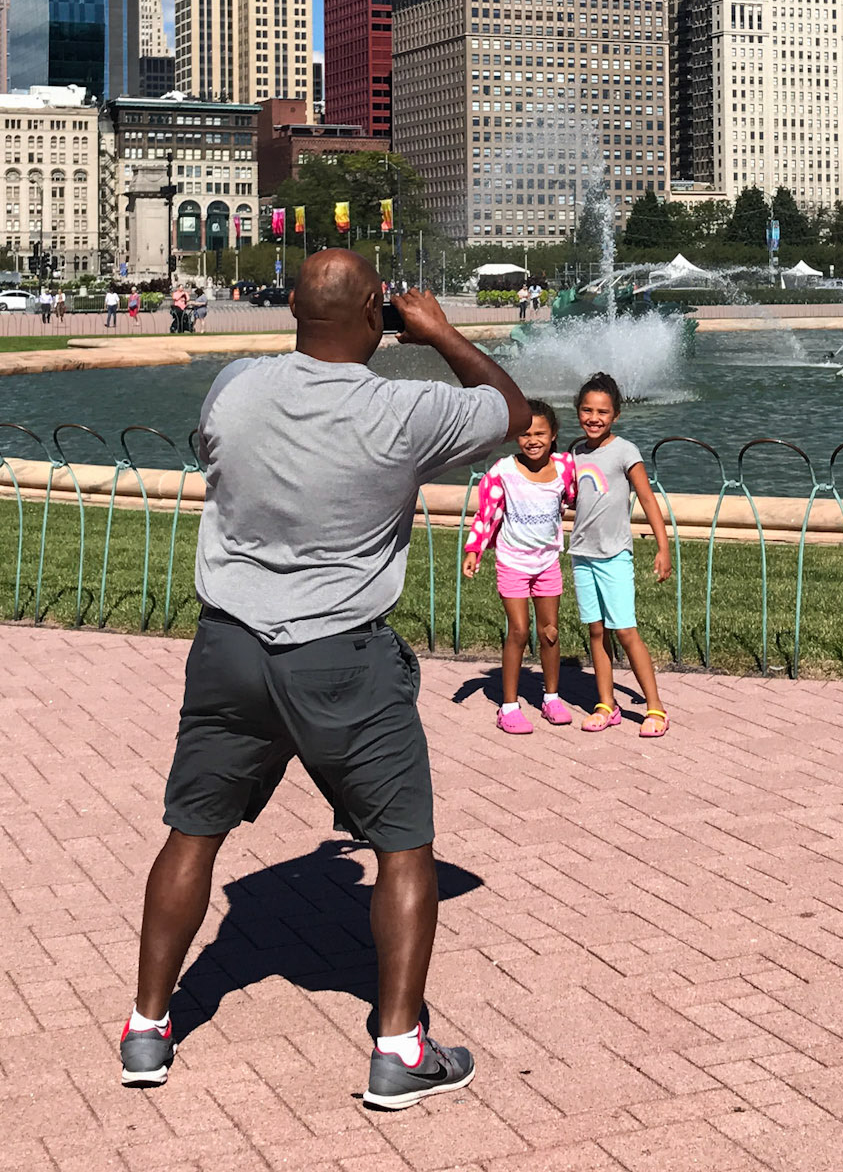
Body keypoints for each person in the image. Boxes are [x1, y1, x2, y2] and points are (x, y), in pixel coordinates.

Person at [120, 252, 531, 1109]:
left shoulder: (235, 384)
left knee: (193, 833)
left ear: (296, 310)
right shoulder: (405, 410)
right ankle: (400, 1049)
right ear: (378, 312)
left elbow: (218, 457)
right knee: (404, 846)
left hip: (228, 647)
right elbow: (512, 413)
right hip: (341, 655)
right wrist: (443, 333)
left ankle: (147, 1030)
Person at [460, 400, 576, 733]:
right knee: (519, 631)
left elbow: (573, 498)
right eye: (524, 434)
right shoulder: (504, 471)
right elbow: (486, 513)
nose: (532, 440)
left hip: (547, 562)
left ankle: (551, 698)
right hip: (513, 562)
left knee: (550, 633)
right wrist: (474, 551)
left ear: (553, 435)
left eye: (540, 432)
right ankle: (509, 707)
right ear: (515, 438)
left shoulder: (564, 468)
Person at [568, 374, 671, 738]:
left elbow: (646, 499)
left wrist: (663, 546)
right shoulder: (574, 453)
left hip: (614, 556)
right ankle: (606, 704)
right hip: (582, 554)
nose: (593, 418)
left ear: (616, 415)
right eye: (586, 410)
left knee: (625, 630)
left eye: (602, 412)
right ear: (577, 411)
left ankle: (655, 707)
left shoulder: (625, 451)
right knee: (596, 631)